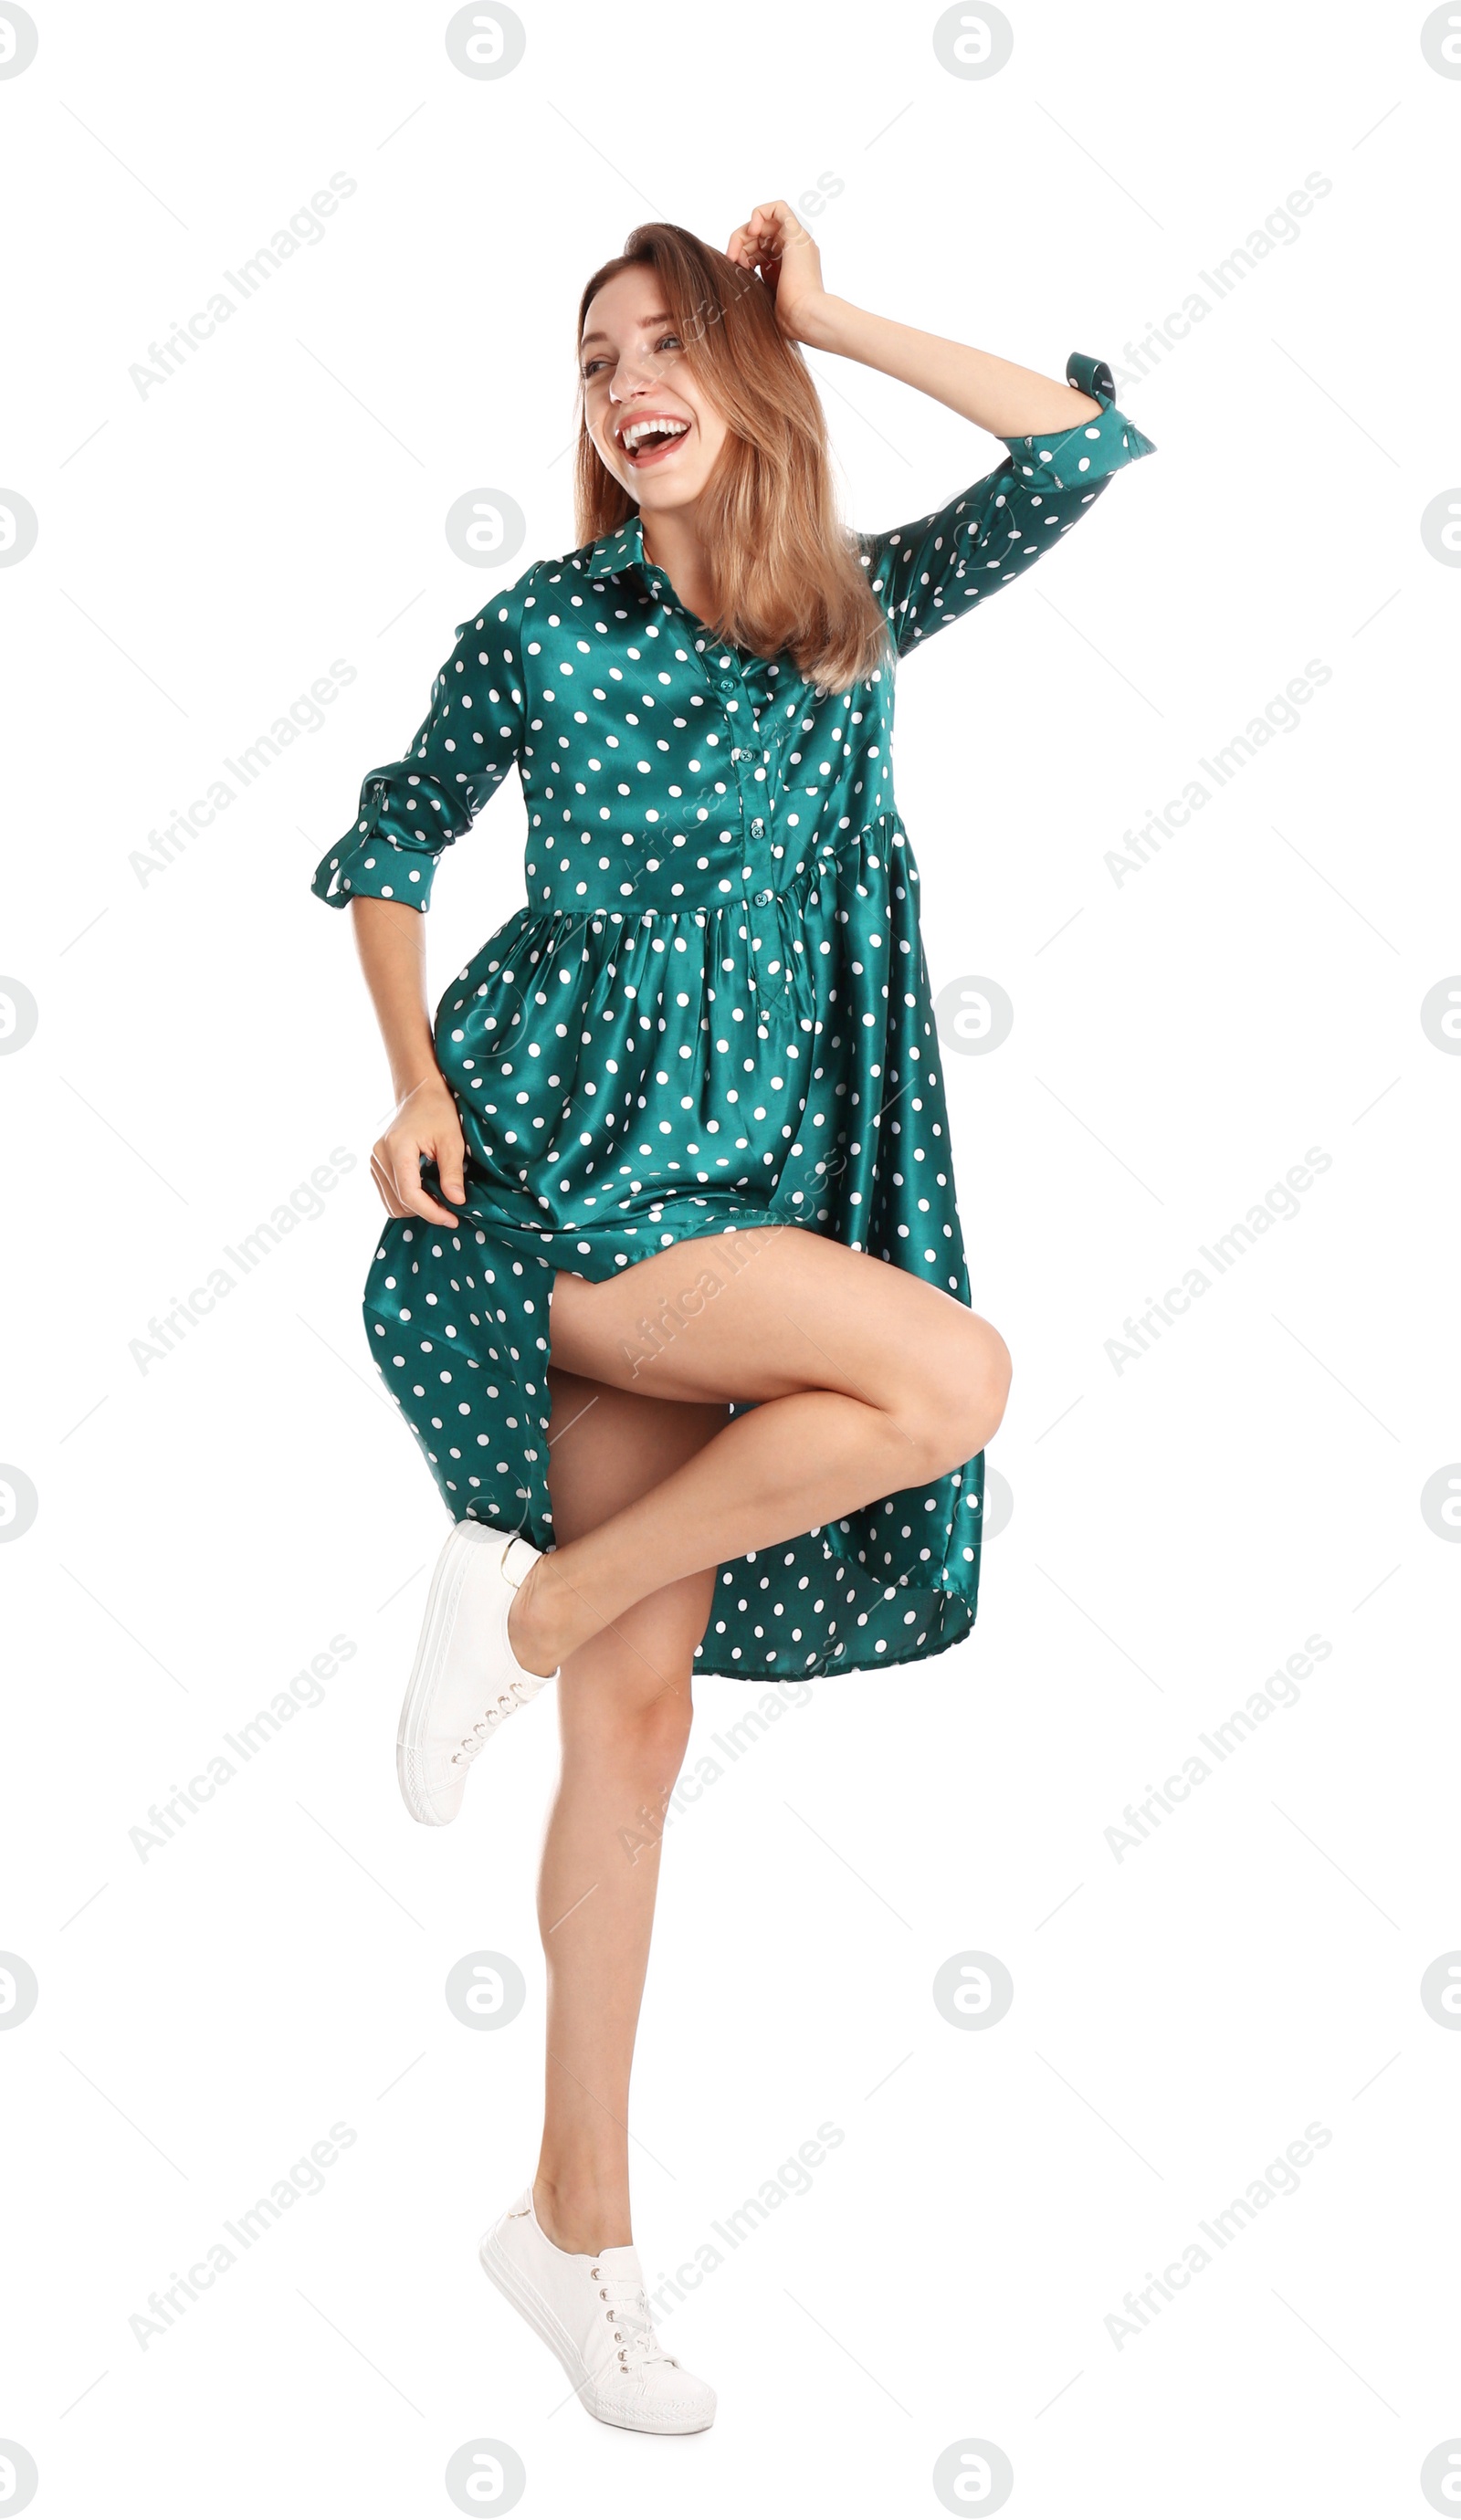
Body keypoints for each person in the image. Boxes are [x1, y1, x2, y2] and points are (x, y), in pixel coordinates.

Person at [312, 202, 1154, 2433]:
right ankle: (521, 1613)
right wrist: (409, 1080)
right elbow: (387, 838)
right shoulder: (544, 629)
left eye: (663, 344)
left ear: (739, 377)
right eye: (593, 360)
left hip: (749, 1198)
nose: (620, 384)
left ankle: (566, 2234)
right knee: (943, 1379)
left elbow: (1086, 447)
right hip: (552, 1187)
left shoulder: (847, 619)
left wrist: (833, 313)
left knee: (640, 1720)